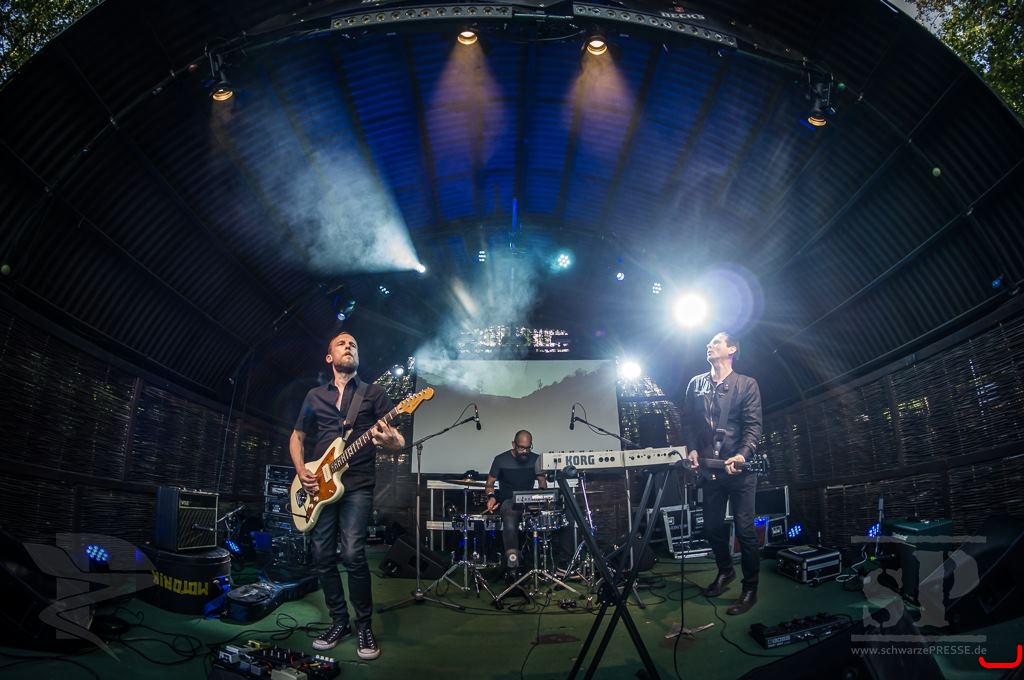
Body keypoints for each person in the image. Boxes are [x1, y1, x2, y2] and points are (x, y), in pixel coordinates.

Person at [290, 331, 405, 660]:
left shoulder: (374, 393)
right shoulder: (314, 395)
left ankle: (364, 625)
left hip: (357, 483)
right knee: (322, 554)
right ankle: (339, 621)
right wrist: (301, 470)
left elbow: (397, 440)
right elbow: (297, 437)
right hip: (318, 485)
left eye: (353, 344)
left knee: (353, 553)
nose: (349, 346)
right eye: (341, 343)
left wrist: (392, 442)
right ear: (330, 357)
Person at [681, 331, 763, 615]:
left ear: (732, 349)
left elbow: (753, 426)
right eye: (709, 342)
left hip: (739, 472)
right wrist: (692, 449)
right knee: (711, 527)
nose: (709, 345)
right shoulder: (695, 384)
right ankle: (726, 571)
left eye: (716, 342)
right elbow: (688, 422)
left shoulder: (747, 384)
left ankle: (750, 588)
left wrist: (742, 455)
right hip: (710, 471)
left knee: (745, 530)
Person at [484, 430, 547, 576]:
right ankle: (513, 564)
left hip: (530, 501)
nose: (524, 451)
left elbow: (542, 482)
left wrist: (541, 496)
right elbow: (490, 484)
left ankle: (537, 562)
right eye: (521, 448)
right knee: (510, 520)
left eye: (528, 448)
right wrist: (491, 497)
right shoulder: (500, 460)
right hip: (508, 501)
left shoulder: (536, 459)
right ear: (513, 444)